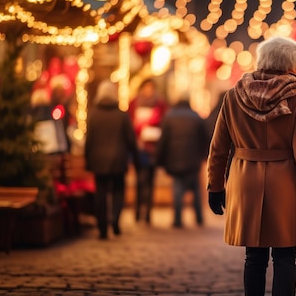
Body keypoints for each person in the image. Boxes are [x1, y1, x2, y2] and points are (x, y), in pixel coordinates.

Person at [207, 36, 296, 296]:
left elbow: (218, 148)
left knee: (254, 256)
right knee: (285, 256)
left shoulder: (233, 95)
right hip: (285, 183)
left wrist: (215, 187)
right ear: (289, 65)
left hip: (244, 179)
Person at [84, 80, 139, 240]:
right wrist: (135, 158)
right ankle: (114, 219)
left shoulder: (93, 114)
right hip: (118, 159)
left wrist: (87, 159)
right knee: (118, 191)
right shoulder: (122, 115)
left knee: (100, 193)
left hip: (98, 160)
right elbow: (131, 139)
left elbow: (89, 139)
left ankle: (102, 227)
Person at [155, 91, 209, 228]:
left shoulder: (169, 117)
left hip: (174, 159)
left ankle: (178, 219)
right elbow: (205, 138)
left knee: (178, 188)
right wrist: (204, 155)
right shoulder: (196, 117)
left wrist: (160, 160)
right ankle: (199, 217)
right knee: (196, 188)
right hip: (193, 160)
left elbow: (163, 141)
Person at [128, 78, 167, 224]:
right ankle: (138, 212)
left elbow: (165, 123)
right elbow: (129, 123)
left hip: (153, 148)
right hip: (139, 148)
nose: (148, 90)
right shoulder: (134, 103)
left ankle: (148, 213)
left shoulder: (161, 104)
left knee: (150, 181)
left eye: (151, 87)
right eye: (146, 87)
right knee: (139, 181)